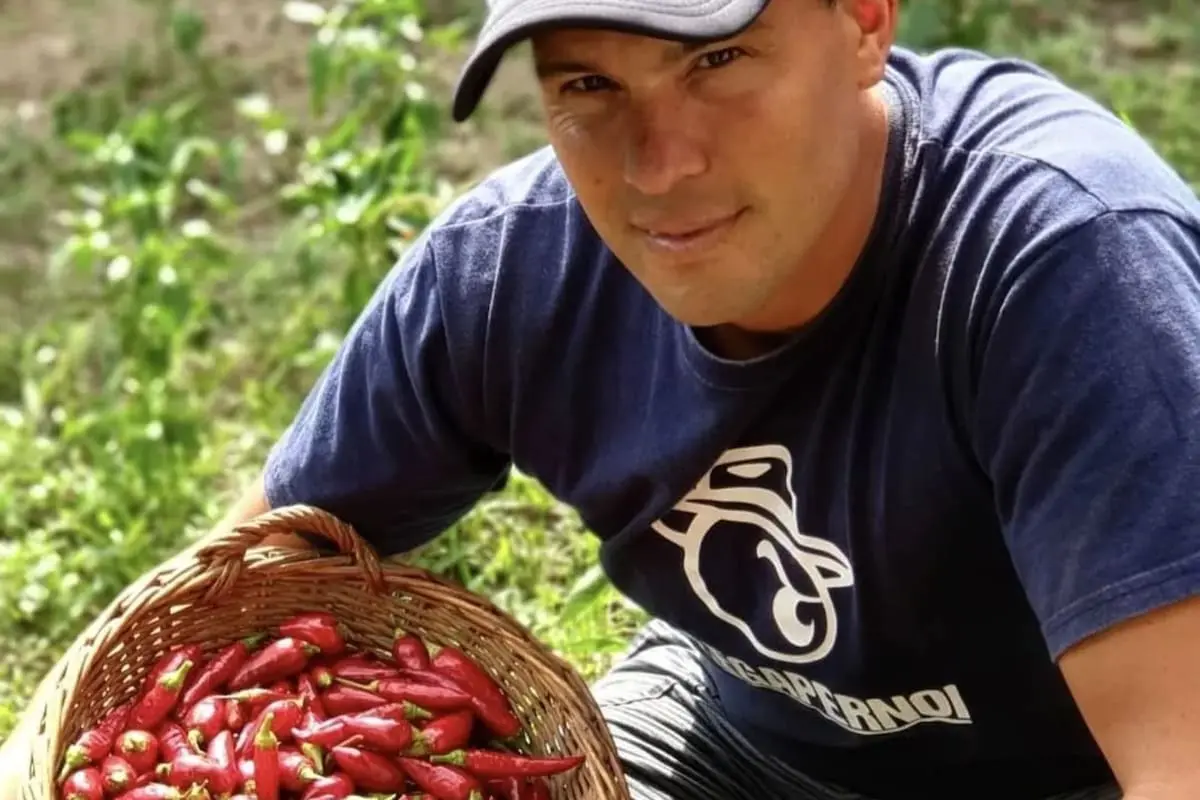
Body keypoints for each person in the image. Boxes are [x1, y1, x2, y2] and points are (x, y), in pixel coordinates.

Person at [127, 0, 1200, 798]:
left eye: (719, 61)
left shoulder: (1064, 263)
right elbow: (234, 603)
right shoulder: (513, 272)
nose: (658, 164)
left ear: (865, 20)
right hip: (741, 737)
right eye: (590, 87)